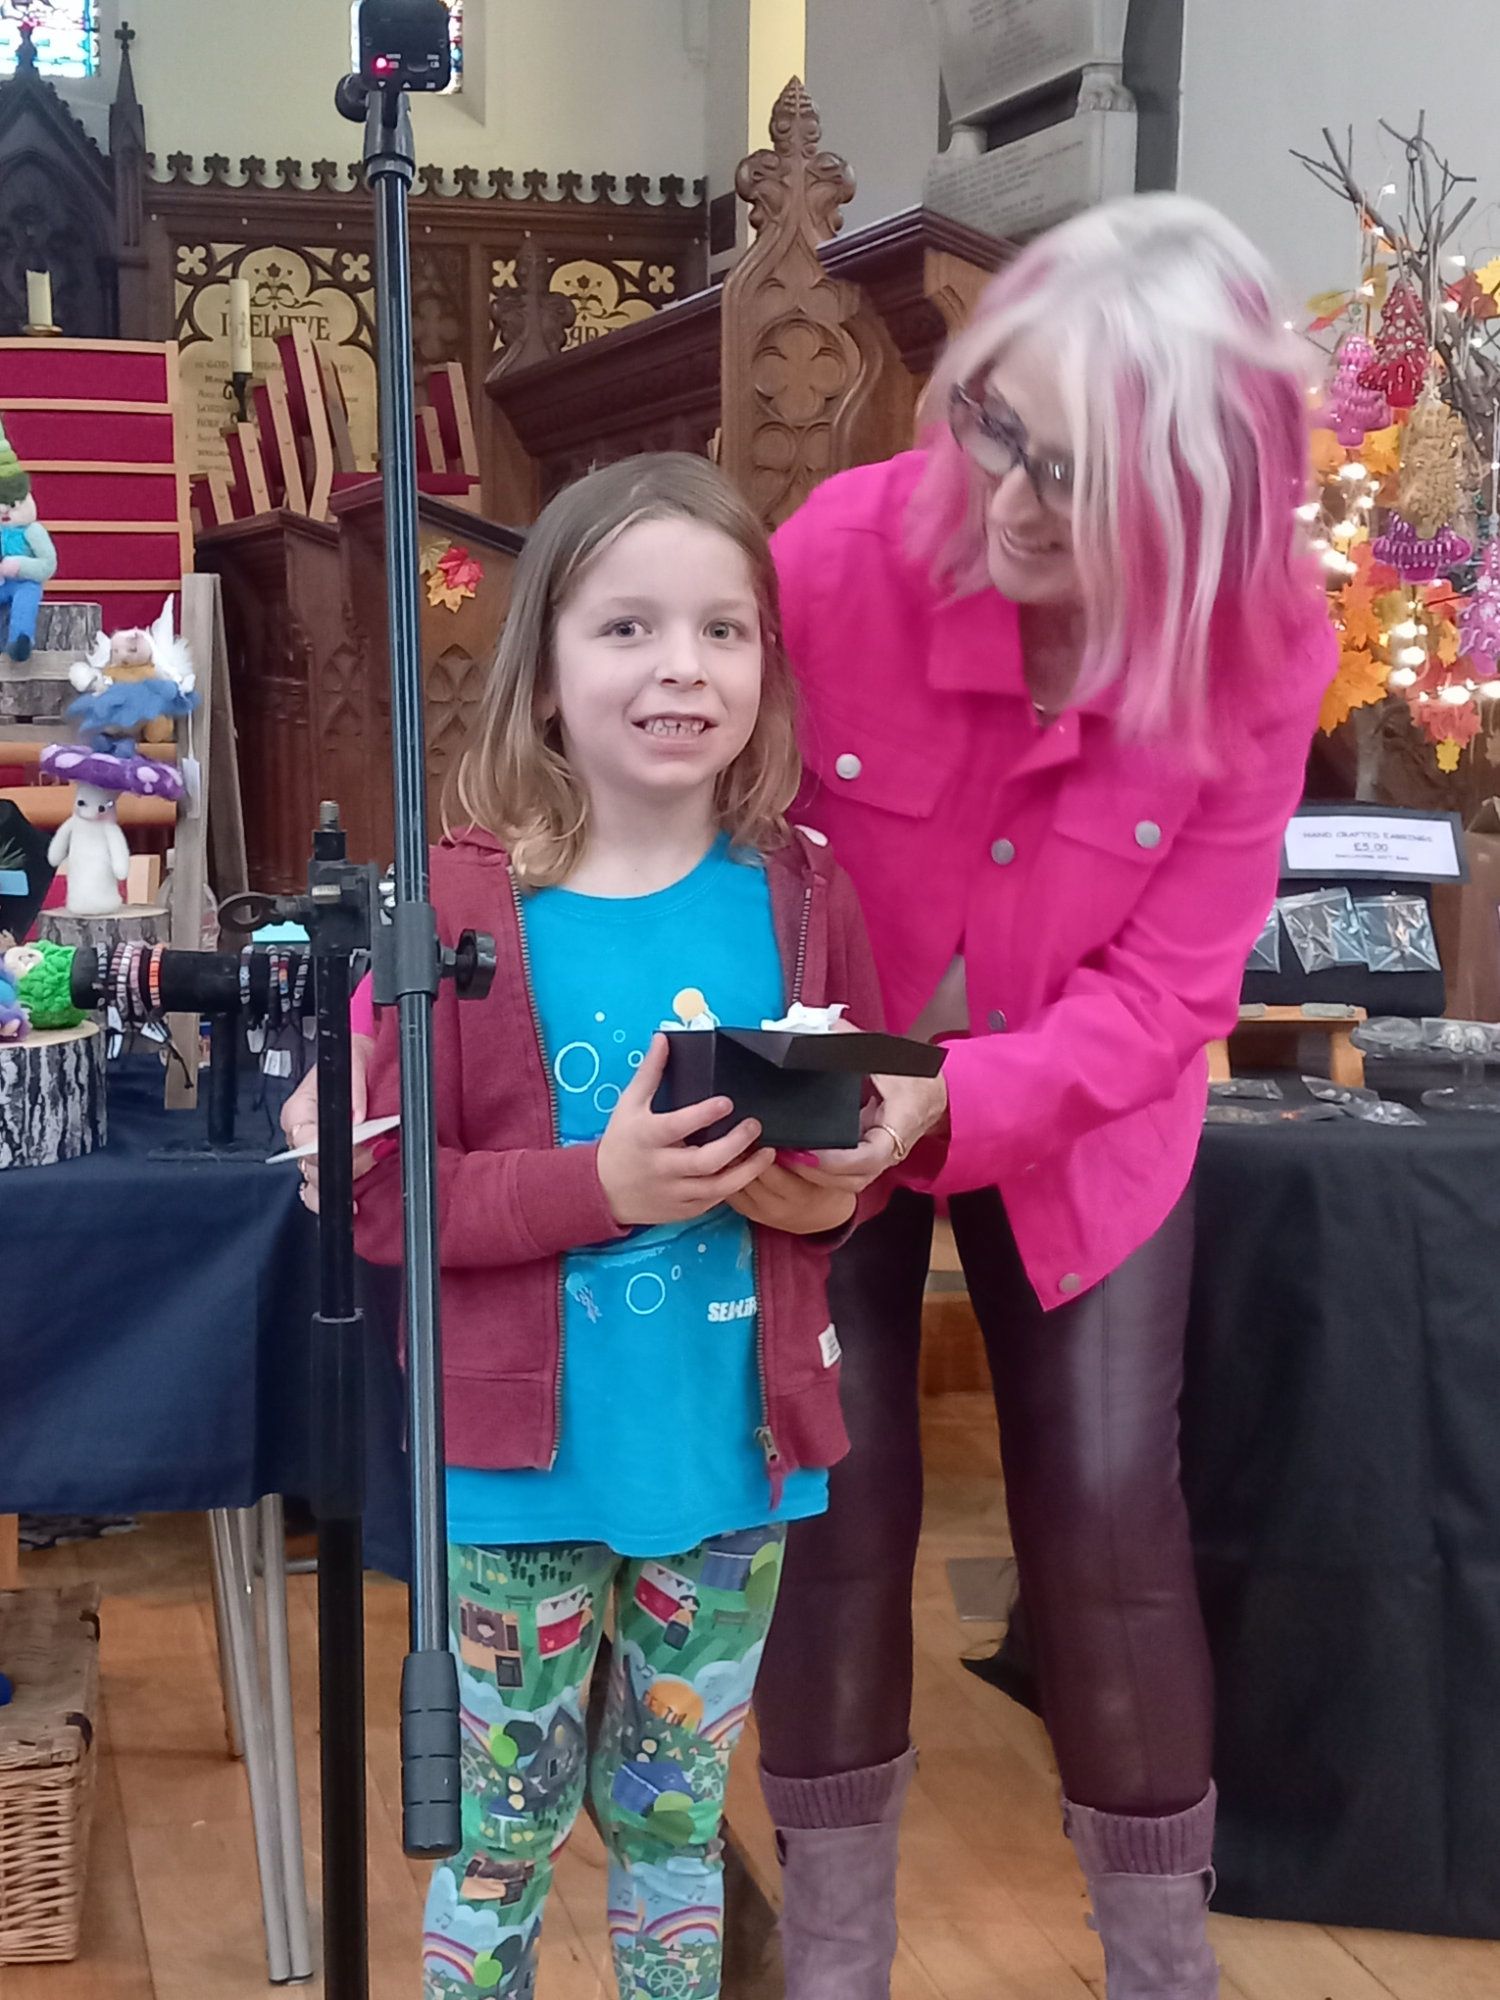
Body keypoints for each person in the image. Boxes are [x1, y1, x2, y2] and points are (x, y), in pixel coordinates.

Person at [287, 196, 1335, 2000]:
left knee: (1107, 1517)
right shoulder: (843, 553)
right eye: (998, 428)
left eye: (1083, 478)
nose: (1011, 503)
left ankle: (1165, 1968)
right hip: (804, 1102)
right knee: (821, 1505)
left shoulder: (1263, 640)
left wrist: (961, 1102)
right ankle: (836, 1962)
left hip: (1081, 1115)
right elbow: (686, 803)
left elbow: (1176, 990)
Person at [345, 453, 892, 2000]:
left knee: (674, 1826)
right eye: (628, 627)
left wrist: (833, 1187)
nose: (682, 667)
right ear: (542, 675)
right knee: (500, 1838)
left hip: (731, 1463)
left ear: (766, 669)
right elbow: (386, 1198)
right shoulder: (452, 907)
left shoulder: (803, 891)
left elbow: (846, 1147)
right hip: (515, 1481)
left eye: (725, 630)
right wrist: (607, 1188)